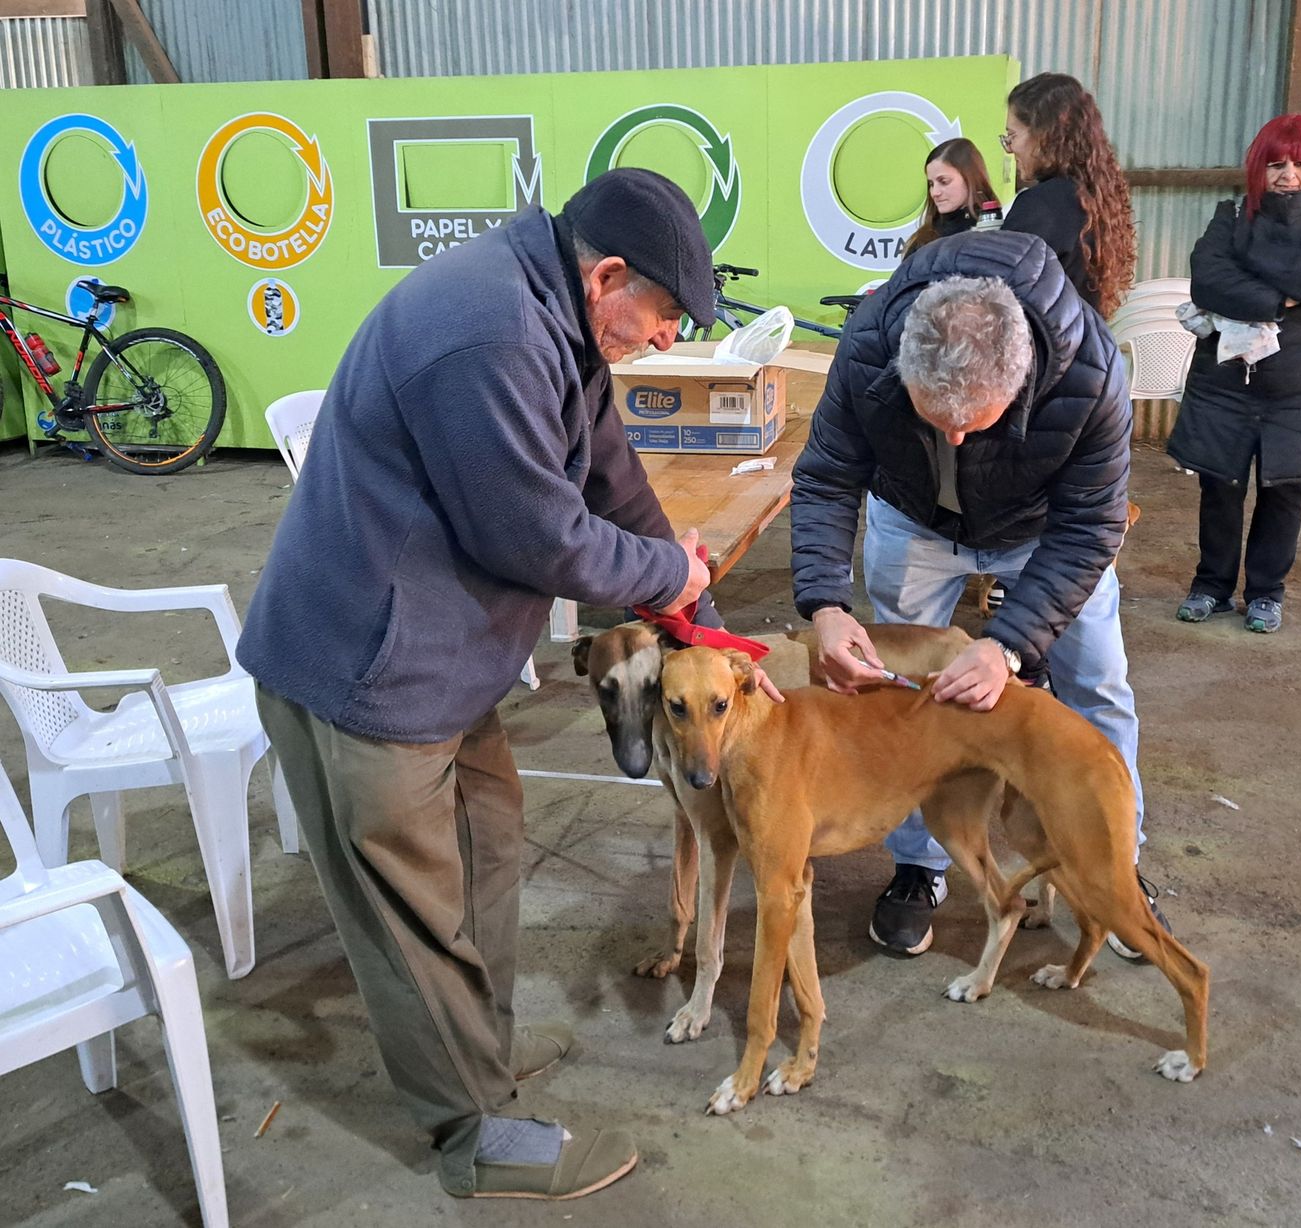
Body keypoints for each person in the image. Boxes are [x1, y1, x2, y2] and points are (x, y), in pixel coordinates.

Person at [235, 168, 720, 1203]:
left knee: (487, 847)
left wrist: (700, 623)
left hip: (441, 664)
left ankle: (481, 1067)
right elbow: (537, 535)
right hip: (369, 671)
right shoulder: (488, 332)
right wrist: (666, 573)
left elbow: (610, 477)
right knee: (411, 914)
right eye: (666, 315)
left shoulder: (557, 314)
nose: (669, 339)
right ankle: (475, 1136)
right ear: (610, 276)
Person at [790, 227, 1169, 961]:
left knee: (1097, 685)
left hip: (1045, 528)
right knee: (896, 693)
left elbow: (1091, 528)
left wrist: (1008, 645)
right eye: (938, 422)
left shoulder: (1090, 373)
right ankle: (918, 866)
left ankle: (1114, 866)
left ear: (1022, 380)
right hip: (913, 516)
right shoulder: (869, 345)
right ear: (904, 372)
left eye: (976, 424)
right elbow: (828, 475)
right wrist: (825, 605)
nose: (957, 443)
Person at [1168, 114, 1301, 634]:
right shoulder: (1231, 212)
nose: (1287, 175)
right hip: (1226, 381)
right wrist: (1281, 297)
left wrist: (1252, 266)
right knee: (1219, 485)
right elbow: (1207, 279)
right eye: (1276, 164)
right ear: (1258, 168)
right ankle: (1211, 584)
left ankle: (1265, 592)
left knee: (1284, 491)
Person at [1001, 72, 1136, 318]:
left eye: (1012, 136)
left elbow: (1002, 294)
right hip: (1084, 343)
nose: (1010, 149)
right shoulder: (1096, 196)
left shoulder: (1041, 205)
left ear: (1043, 134)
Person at [903, 137, 999, 259]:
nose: (934, 192)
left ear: (970, 178)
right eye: (931, 184)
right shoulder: (924, 237)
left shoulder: (996, 229)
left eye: (944, 181)